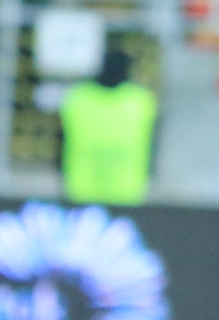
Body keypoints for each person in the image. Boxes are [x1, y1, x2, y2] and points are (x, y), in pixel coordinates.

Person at [60, 48, 158, 207]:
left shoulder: (77, 97)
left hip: (82, 189)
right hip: (127, 191)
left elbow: (60, 141)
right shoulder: (140, 101)